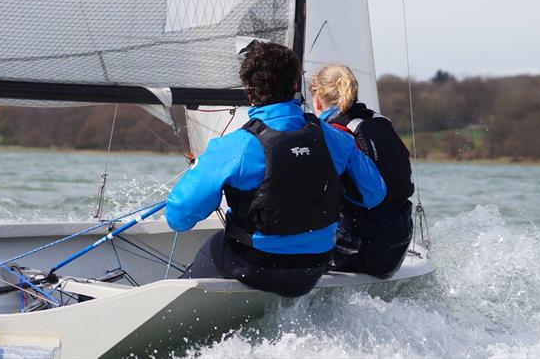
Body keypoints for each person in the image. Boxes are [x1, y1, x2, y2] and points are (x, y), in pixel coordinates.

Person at [166, 42, 386, 297]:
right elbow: (374, 194)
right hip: (314, 267)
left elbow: (178, 218)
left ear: (249, 89)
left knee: (215, 246)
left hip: (257, 266)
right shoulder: (336, 139)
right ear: (295, 85)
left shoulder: (234, 147)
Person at [309, 64, 415, 279]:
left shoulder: (332, 133)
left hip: (357, 250)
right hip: (398, 244)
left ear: (318, 98)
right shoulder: (380, 121)